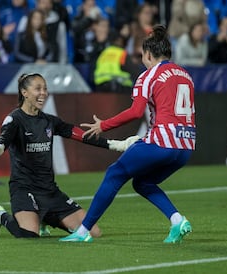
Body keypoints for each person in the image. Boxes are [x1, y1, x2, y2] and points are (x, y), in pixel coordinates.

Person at [60, 25, 195, 243]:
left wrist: (104, 125)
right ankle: (177, 220)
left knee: (115, 173)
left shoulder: (148, 76)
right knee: (142, 183)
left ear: (148, 54)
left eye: (142, 55)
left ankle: (83, 232)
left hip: (162, 142)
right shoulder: (185, 75)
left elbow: (135, 112)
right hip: (185, 147)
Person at [0, 73, 135, 238]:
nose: (43, 93)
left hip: (49, 191)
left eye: (45, 89)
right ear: (24, 92)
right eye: (38, 89)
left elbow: (80, 135)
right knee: (29, 235)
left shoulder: (49, 121)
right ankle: (1, 216)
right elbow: (5, 136)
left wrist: (116, 144)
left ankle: (45, 218)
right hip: (24, 189)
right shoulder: (15, 119)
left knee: (93, 232)